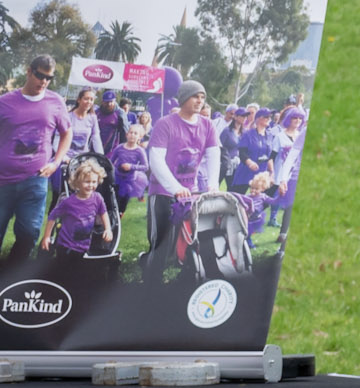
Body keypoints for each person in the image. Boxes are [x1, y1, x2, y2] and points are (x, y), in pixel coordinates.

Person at [0, 54, 72, 261]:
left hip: (35, 179)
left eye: (49, 78)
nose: (43, 81)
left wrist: (56, 162)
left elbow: (67, 133)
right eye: (39, 75)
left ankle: (11, 277)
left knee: (29, 234)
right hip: (0, 180)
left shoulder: (56, 102)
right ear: (29, 71)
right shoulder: (4, 102)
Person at [143, 79, 220, 280]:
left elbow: (214, 156)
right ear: (184, 98)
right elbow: (156, 159)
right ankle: (151, 284)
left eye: (203, 97)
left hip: (191, 194)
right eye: (196, 96)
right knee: (160, 242)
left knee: (188, 239)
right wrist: (175, 188)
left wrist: (212, 184)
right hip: (162, 192)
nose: (200, 101)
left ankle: (185, 278)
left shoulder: (207, 125)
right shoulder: (165, 124)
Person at [40, 157, 112, 278]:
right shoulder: (69, 202)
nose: (91, 185)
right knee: (63, 272)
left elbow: (103, 212)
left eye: (94, 182)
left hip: (83, 244)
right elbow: (53, 216)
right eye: (87, 182)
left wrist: (108, 229)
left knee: (78, 273)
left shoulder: (97, 198)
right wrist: (47, 236)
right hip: (66, 245)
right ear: (77, 182)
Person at [232, 107, 278, 193]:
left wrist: (272, 173)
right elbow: (242, 153)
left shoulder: (270, 136)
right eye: (266, 117)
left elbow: (270, 157)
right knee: (238, 199)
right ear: (258, 119)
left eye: (270, 117)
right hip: (245, 173)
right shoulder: (248, 134)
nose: (269, 119)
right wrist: (250, 163)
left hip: (261, 175)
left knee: (258, 201)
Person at [108, 121, 149, 218]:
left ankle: (121, 213)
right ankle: (114, 216)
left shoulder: (139, 151)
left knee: (124, 198)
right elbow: (111, 161)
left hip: (130, 180)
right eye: (131, 132)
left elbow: (145, 166)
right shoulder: (119, 148)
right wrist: (112, 168)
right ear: (127, 134)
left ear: (140, 137)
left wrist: (131, 166)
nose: (133, 135)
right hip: (117, 177)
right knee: (115, 198)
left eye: (136, 134)